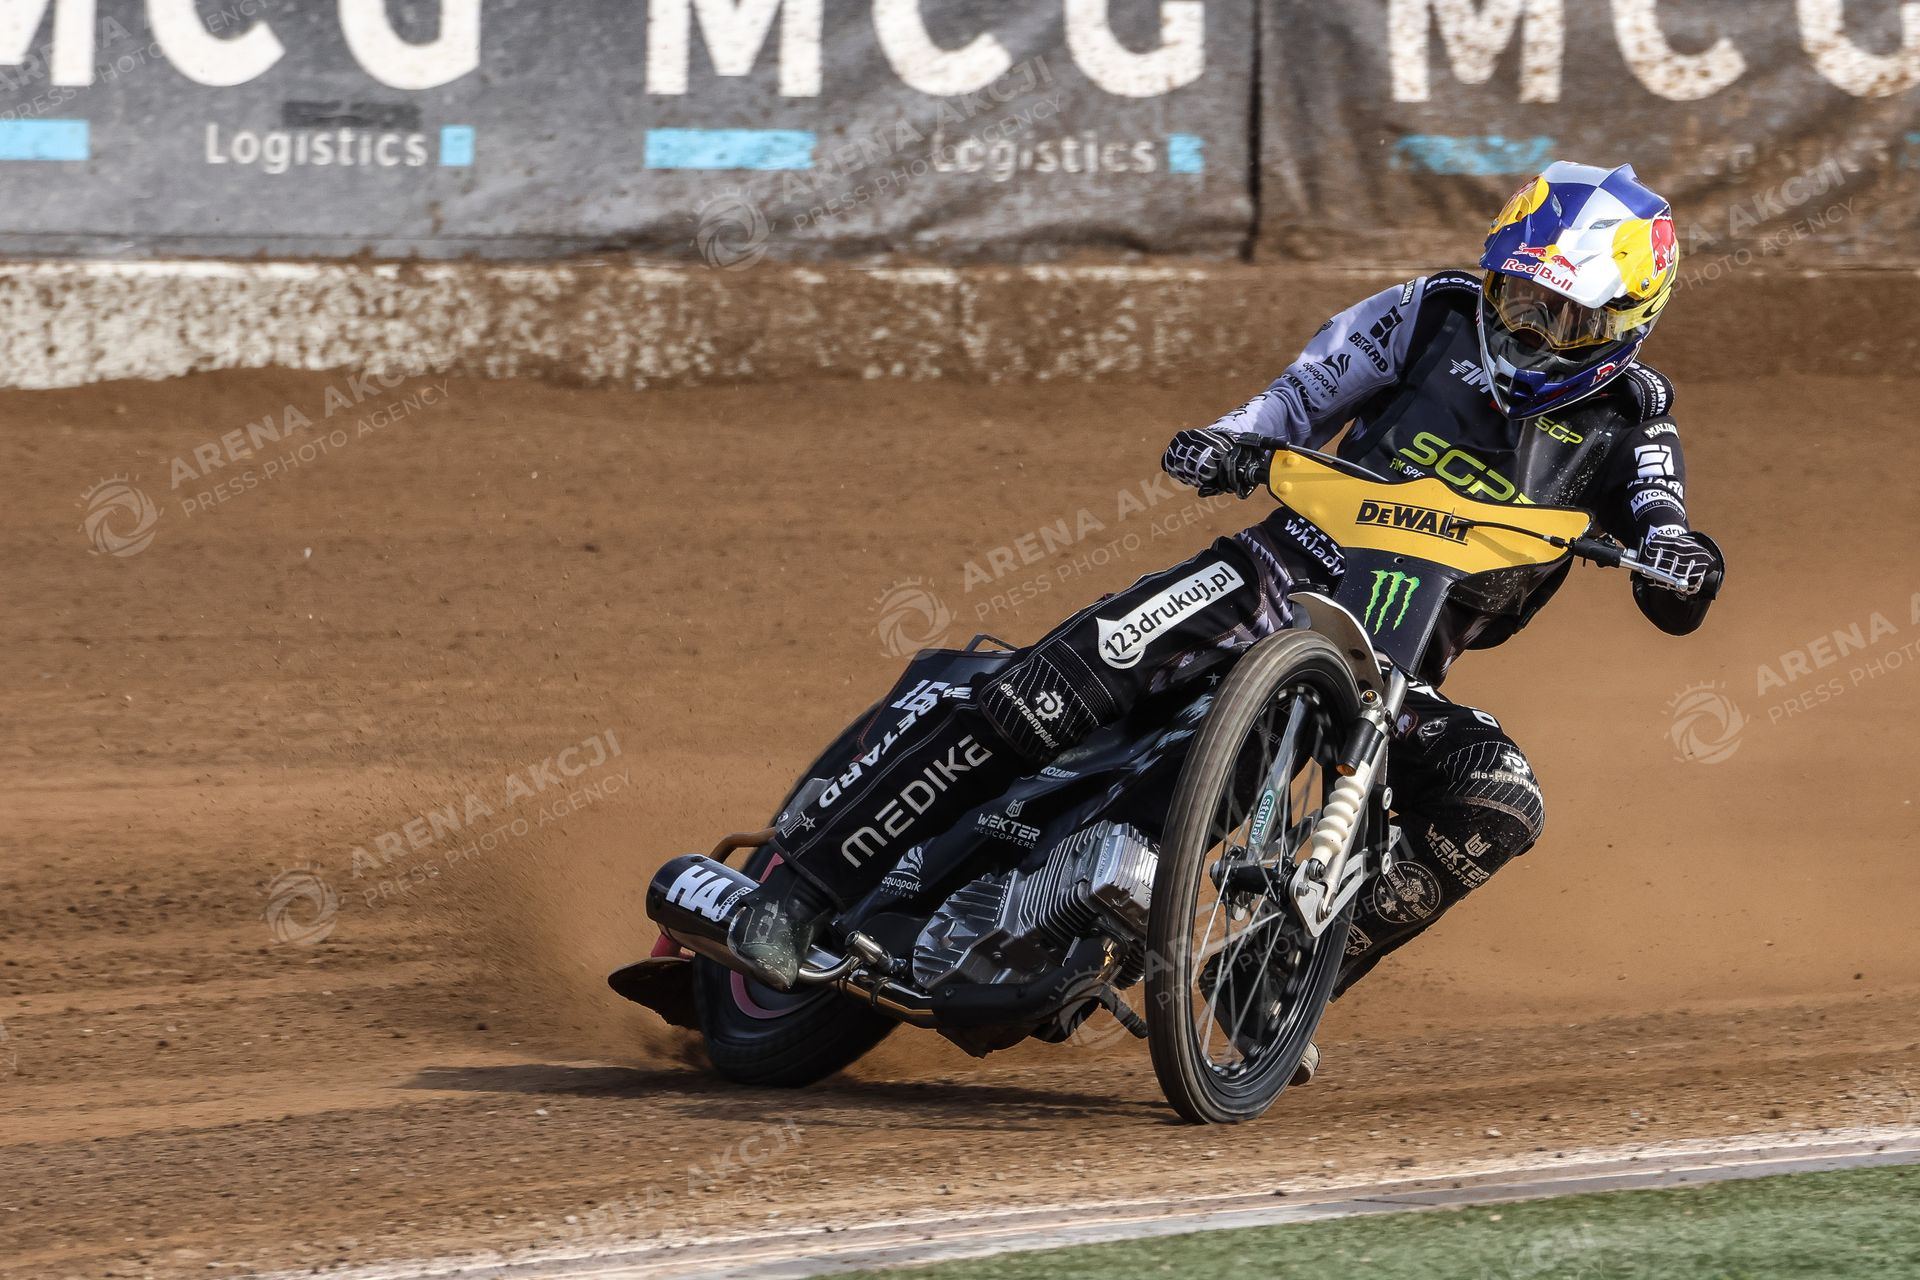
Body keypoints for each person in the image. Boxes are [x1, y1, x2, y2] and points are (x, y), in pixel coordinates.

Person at [726, 161, 1725, 1069]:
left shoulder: (1634, 420)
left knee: (1497, 795)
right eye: (1518, 297)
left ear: (1626, 321)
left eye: (1564, 317)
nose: (1528, 330)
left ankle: (1269, 979)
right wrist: (1227, 440)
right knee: (1045, 695)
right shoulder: (1432, 313)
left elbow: (1665, 527)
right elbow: (1300, 394)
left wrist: (1682, 562)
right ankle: (800, 889)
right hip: (1270, 572)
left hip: (1389, 672)